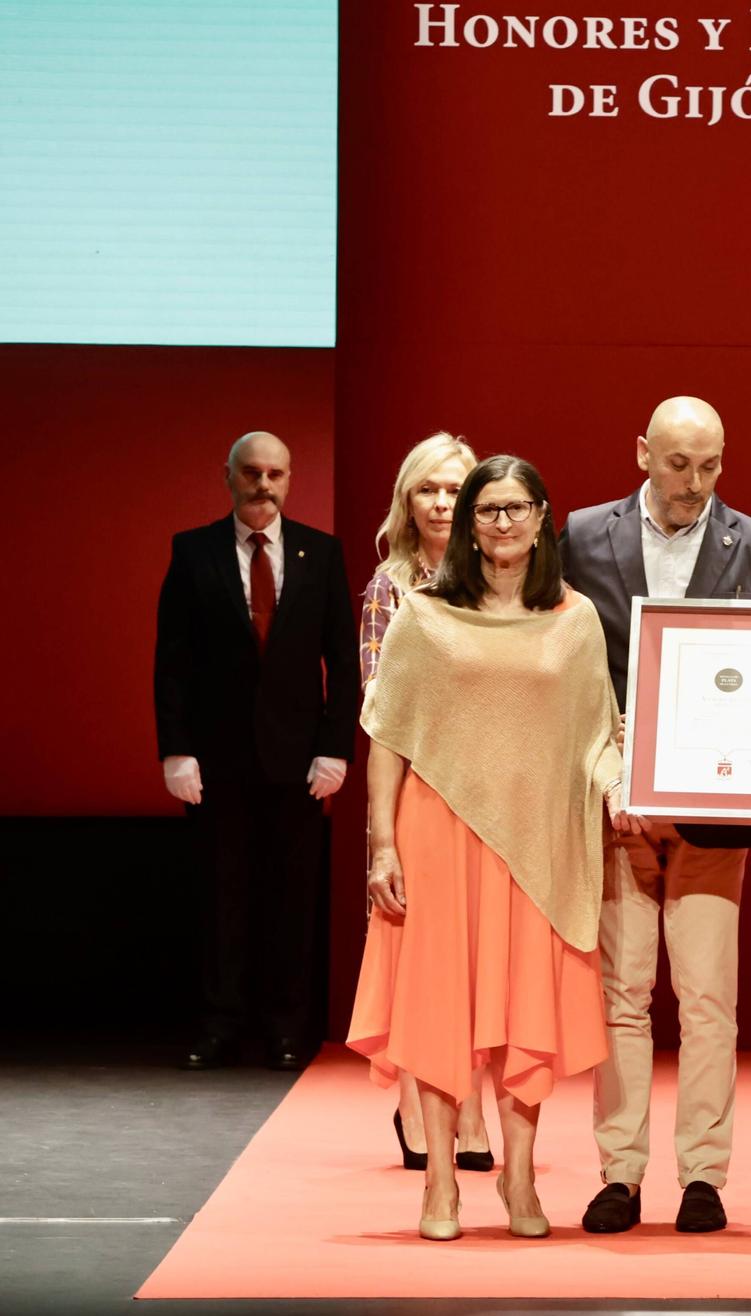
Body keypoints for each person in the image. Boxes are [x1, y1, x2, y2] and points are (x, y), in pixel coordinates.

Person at [348, 454, 632, 1242]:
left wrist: (621, 787)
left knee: (522, 1009)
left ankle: (519, 1175)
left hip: (539, 839)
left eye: (517, 508)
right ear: (467, 523)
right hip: (439, 833)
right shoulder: (425, 615)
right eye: (487, 509)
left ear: (542, 517)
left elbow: (597, 736)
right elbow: (386, 737)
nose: (502, 522)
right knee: (442, 1006)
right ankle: (439, 1179)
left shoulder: (574, 619)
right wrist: (382, 846)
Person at [559, 395, 751, 1236]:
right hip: (614, 807)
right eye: (679, 463)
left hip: (712, 810)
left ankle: (704, 1176)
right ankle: (619, 1173)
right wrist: (609, 772)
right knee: (622, 997)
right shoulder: (583, 535)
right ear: (642, 453)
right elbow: (571, 672)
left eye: (711, 464)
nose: (696, 482)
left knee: (708, 1000)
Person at [154, 431, 360, 1072]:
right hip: (216, 763)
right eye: (251, 472)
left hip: (299, 764)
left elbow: (344, 663)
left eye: (275, 473)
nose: (263, 484)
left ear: (289, 479)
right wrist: (175, 750)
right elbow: (172, 662)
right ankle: (218, 1026)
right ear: (229, 476)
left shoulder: (321, 554)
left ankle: (287, 1029)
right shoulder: (191, 552)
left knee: (292, 900)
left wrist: (335, 749)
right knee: (222, 896)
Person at [358, 430, 494, 1172]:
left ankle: (470, 1107)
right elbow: (378, 708)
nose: (443, 502)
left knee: (474, 961)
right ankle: (416, 1108)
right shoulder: (392, 586)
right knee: (417, 956)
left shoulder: (501, 579)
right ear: (407, 501)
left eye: (454, 489)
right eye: (428, 489)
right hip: (412, 791)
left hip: (490, 798)